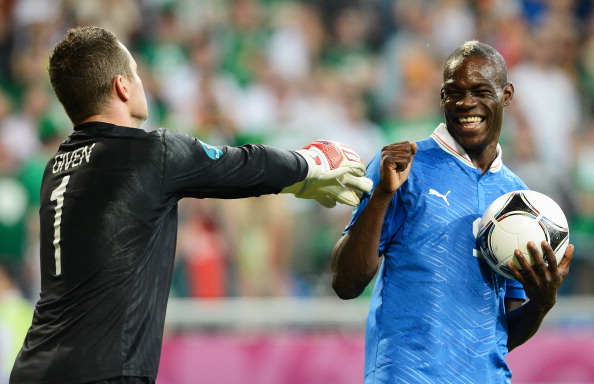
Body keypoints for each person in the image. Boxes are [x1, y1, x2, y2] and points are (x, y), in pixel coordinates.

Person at [10, 26, 372, 384]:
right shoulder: (149, 152)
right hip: (102, 372)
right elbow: (246, 164)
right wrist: (314, 162)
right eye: (135, 73)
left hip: (33, 366)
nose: (140, 82)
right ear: (122, 86)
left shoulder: (57, 167)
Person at [330, 40, 574, 384]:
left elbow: (502, 335)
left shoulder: (519, 200)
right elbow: (345, 283)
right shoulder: (403, 168)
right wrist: (383, 195)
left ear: (506, 95)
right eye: (452, 93)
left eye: (479, 91)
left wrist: (542, 302)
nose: (465, 103)